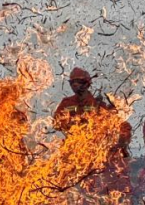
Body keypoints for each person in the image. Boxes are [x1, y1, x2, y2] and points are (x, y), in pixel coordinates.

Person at [53, 67, 132, 196]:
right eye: (72, 82)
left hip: (94, 148)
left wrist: (122, 143)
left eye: (78, 81)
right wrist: (70, 124)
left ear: (87, 83)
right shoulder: (67, 103)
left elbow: (120, 124)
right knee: (63, 178)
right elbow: (56, 122)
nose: (74, 85)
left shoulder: (97, 104)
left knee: (97, 180)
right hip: (73, 147)